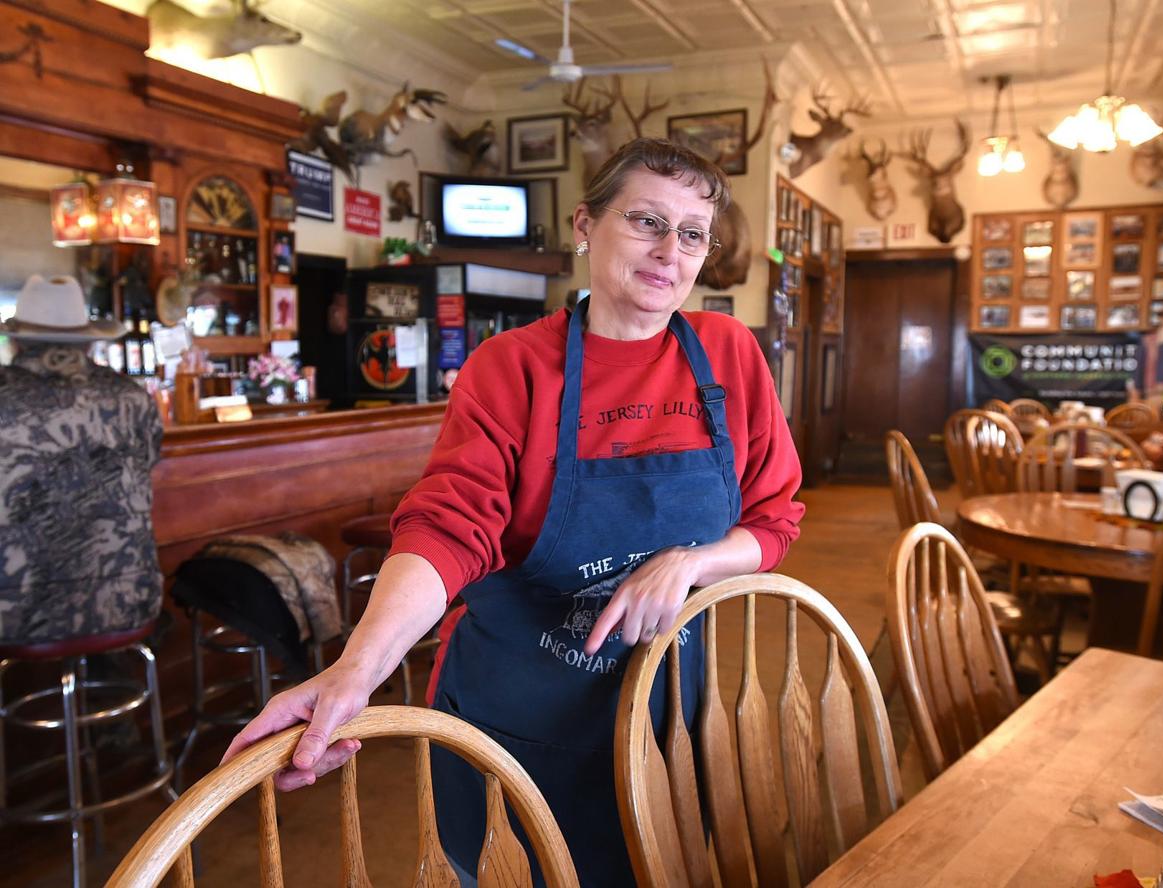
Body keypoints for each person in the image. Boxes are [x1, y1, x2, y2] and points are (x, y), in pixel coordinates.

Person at [224, 138, 805, 886]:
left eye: (692, 233)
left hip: (664, 710)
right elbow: (447, 526)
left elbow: (773, 520)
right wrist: (357, 672)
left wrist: (692, 562)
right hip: (515, 721)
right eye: (647, 221)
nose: (670, 251)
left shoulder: (727, 354)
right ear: (585, 225)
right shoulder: (512, 367)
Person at [0, 275, 163, 642]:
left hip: (13, 613)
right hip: (127, 599)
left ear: (17, 341)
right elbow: (148, 462)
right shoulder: (132, 396)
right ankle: (102, 681)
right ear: (89, 342)